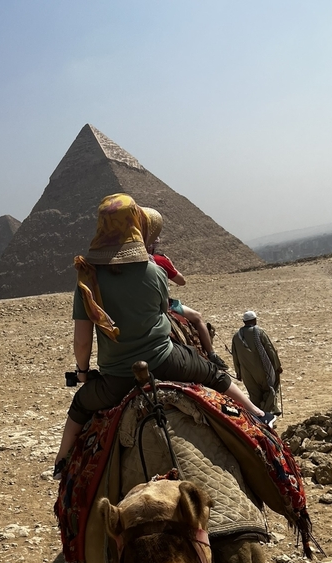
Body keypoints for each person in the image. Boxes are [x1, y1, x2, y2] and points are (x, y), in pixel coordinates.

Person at [53, 196, 275, 478]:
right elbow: (164, 312)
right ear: (136, 227)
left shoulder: (88, 281)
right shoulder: (155, 272)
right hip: (168, 361)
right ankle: (258, 413)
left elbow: (82, 341)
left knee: (80, 405)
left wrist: (83, 373)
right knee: (213, 374)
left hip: (118, 378)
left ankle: (61, 463)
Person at [142, 212, 227, 369]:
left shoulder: (123, 266)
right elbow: (181, 281)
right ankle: (212, 355)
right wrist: (170, 264)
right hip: (164, 305)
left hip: (137, 309)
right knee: (198, 317)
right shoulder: (160, 261)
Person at [231, 310, 283, 416]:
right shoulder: (259, 332)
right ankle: (267, 413)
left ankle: (257, 416)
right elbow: (270, 350)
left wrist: (238, 373)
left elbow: (235, 356)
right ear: (255, 320)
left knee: (254, 394)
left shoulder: (236, 336)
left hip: (246, 372)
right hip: (262, 370)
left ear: (244, 321)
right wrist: (277, 366)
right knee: (270, 390)